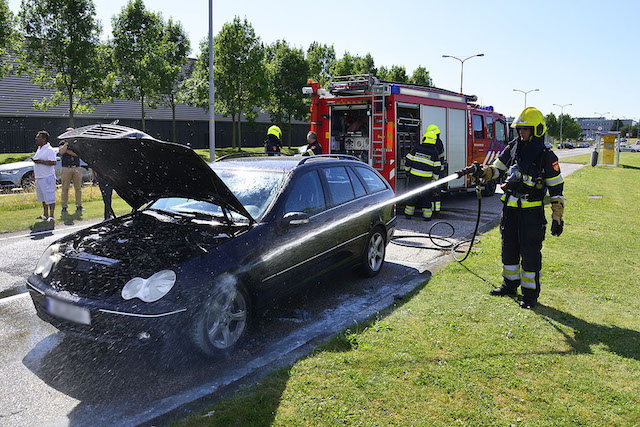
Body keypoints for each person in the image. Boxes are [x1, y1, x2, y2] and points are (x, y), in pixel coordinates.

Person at [471, 107, 564, 309]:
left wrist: (557, 217)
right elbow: (497, 169)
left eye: (525, 129)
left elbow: (557, 190)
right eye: (519, 129)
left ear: (537, 130)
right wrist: (483, 171)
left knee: (530, 255)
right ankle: (509, 285)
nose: (521, 133)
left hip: (531, 215)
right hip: (510, 212)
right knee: (509, 250)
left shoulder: (547, 157)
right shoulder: (513, 147)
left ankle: (530, 296)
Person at [403, 127, 441, 220]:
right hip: (426, 179)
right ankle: (427, 217)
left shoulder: (416, 148)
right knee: (426, 197)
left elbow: (408, 160)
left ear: (424, 138)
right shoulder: (434, 152)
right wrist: (434, 179)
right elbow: (437, 167)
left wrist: (407, 171)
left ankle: (408, 214)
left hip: (414, 177)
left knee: (411, 195)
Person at [32, 130, 57, 222]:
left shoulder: (49, 149)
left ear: (44, 139)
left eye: (38, 137)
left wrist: (40, 161)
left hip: (47, 177)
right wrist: (34, 173)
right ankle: (45, 214)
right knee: (42, 197)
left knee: (50, 196)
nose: (36, 139)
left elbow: (53, 162)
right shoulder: (39, 149)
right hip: (40, 177)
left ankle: (52, 216)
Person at [58, 127, 84, 215]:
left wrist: (67, 151)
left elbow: (78, 154)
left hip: (76, 167)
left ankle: (79, 205)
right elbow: (61, 151)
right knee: (65, 188)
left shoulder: (77, 143)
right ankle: (64, 207)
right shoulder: (62, 142)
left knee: (78, 188)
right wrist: (66, 144)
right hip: (66, 168)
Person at [428, 124, 446, 215]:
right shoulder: (440, 142)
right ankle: (437, 210)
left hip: (433, 171)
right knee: (437, 191)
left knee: (431, 191)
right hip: (440, 171)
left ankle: (431, 209)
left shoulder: (433, 144)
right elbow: (442, 157)